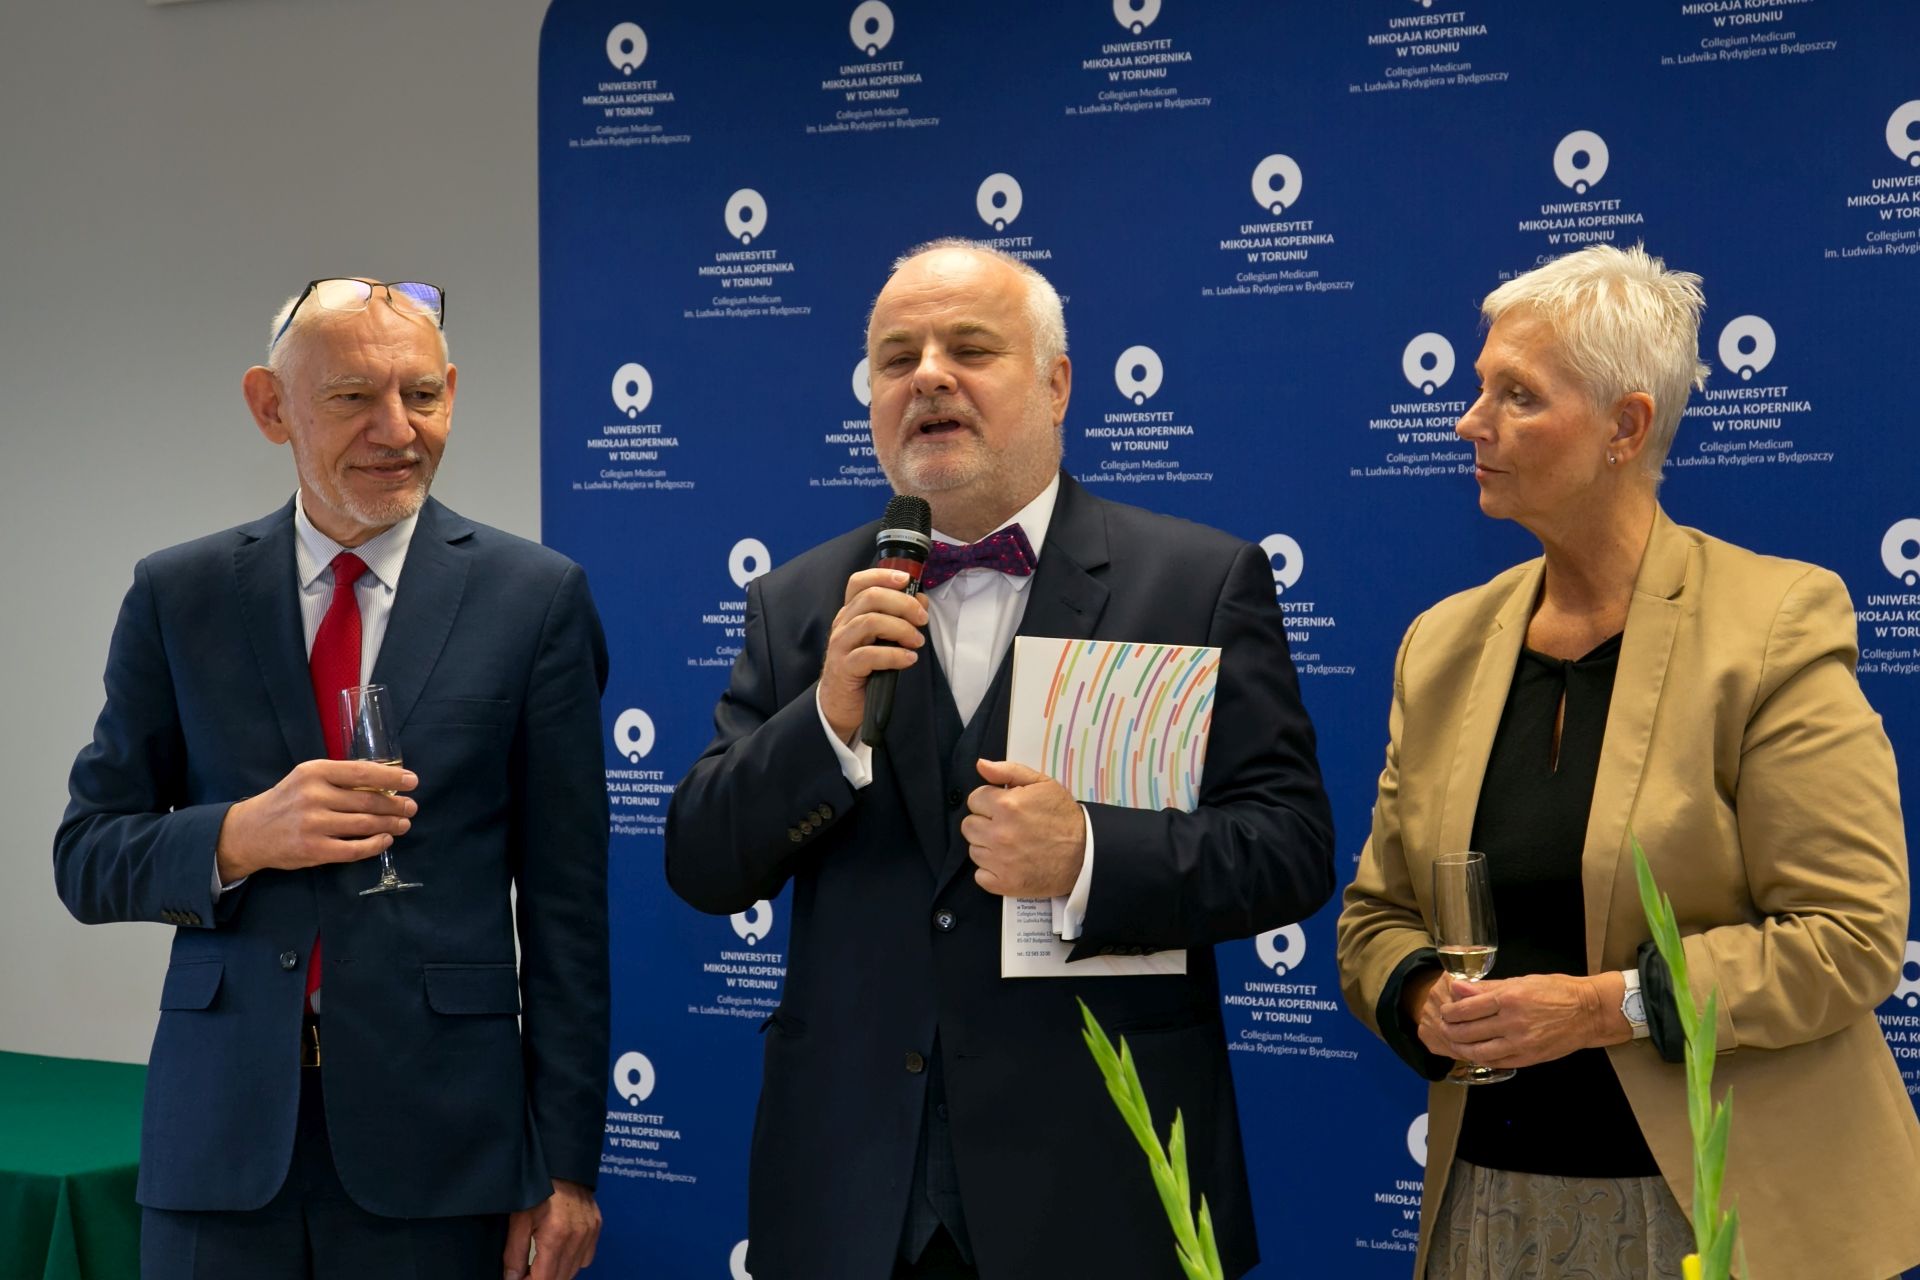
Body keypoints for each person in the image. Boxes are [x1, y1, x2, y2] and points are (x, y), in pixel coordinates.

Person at [665, 240, 1334, 1279]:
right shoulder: (799, 601)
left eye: (970, 349)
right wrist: (827, 720)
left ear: (1057, 383)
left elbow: (1289, 848)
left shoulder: (1198, 582)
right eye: (897, 359)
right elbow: (703, 862)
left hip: (1102, 1188)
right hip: (851, 1201)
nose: (928, 376)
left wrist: (1089, 856)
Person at [1335, 244, 1920, 1279]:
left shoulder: (1772, 625)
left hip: (1719, 1210)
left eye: (1518, 395)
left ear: (1626, 426)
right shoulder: (1442, 644)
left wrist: (1602, 1007)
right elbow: (1377, 917)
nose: (1470, 422)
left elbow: (1849, 935)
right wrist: (1422, 994)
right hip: (1491, 1203)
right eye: (1480, 387)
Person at [53, 278, 611, 1280]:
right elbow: (87, 856)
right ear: (271, 406)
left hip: (444, 1148)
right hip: (220, 1142)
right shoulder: (180, 595)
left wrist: (567, 1165)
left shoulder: (535, 598)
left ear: (451, 394)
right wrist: (239, 836)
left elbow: (568, 906)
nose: (396, 430)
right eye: (353, 396)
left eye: (421, 395)